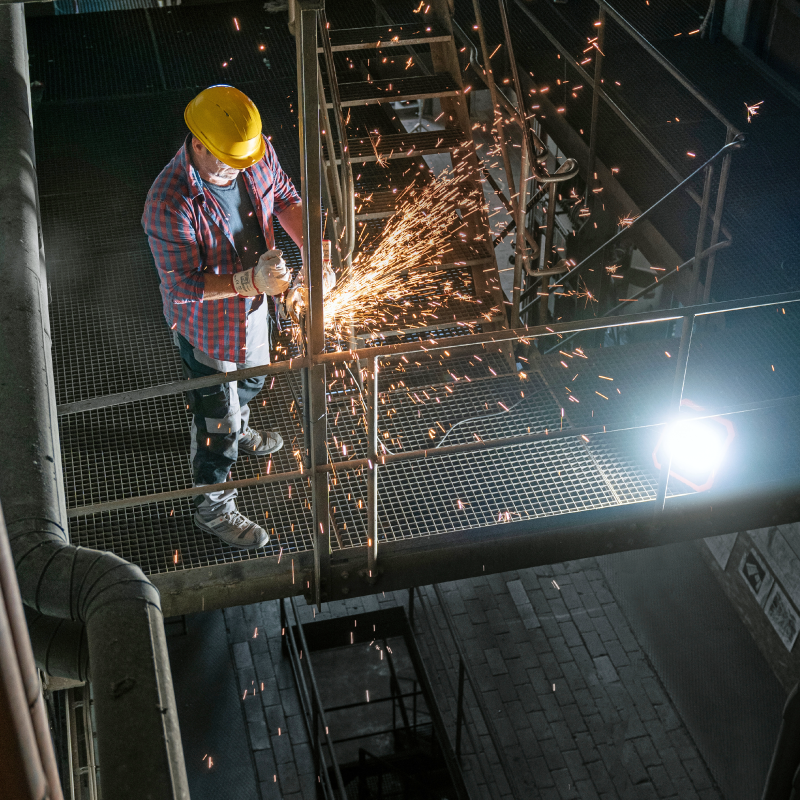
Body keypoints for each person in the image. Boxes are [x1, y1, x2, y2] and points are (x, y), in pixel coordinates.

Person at [143, 85, 313, 550]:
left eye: (245, 160)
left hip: (259, 309)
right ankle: (212, 507)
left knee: (251, 384)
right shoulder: (168, 203)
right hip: (210, 329)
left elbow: (283, 196)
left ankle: (237, 418)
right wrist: (248, 282)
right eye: (229, 161)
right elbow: (181, 287)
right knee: (216, 427)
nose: (242, 169)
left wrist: (312, 245)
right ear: (198, 143)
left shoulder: (251, 153)